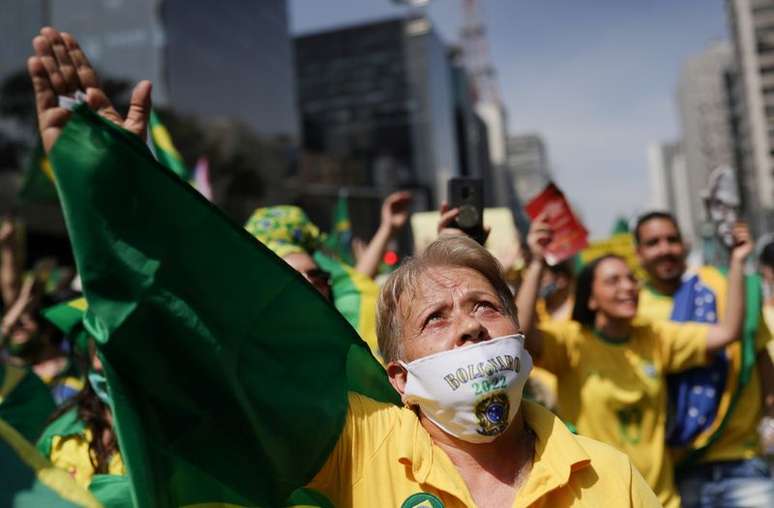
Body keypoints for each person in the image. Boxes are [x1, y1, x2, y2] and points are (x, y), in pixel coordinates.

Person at [28, 26, 661, 507]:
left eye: (485, 306)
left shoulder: (610, 475)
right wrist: (134, 213)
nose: (469, 326)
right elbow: (213, 370)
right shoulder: (355, 441)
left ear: (521, 334)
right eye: (436, 316)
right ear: (399, 377)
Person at [516, 214, 752, 508]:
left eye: (631, 279)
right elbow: (520, 336)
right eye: (613, 281)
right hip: (599, 500)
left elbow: (728, 332)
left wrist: (738, 261)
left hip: (661, 500)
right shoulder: (571, 343)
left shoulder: (654, 337)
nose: (628, 287)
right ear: (590, 298)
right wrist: (538, 263)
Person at [635, 211, 774, 507]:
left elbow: (759, 356)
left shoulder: (724, 289)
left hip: (743, 458)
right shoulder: (633, 315)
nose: (665, 249)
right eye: (653, 242)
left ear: (684, 245)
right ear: (639, 253)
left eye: (672, 240)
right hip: (680, 469)